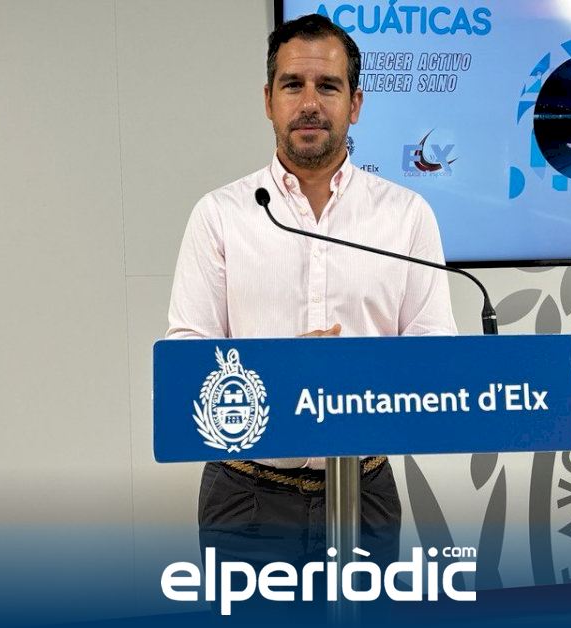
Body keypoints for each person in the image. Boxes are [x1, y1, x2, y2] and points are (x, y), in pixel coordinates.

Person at [164, 13, 457, 583]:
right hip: (247, 496)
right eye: (292, 84)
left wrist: (352, 376)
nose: (309, 103)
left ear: (355, 103)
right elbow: (186, 361)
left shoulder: (407, 215)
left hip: (365, 491)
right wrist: (284, 373)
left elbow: (434, 353)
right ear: (268, 100)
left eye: (328, 86)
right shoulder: (221, 215)